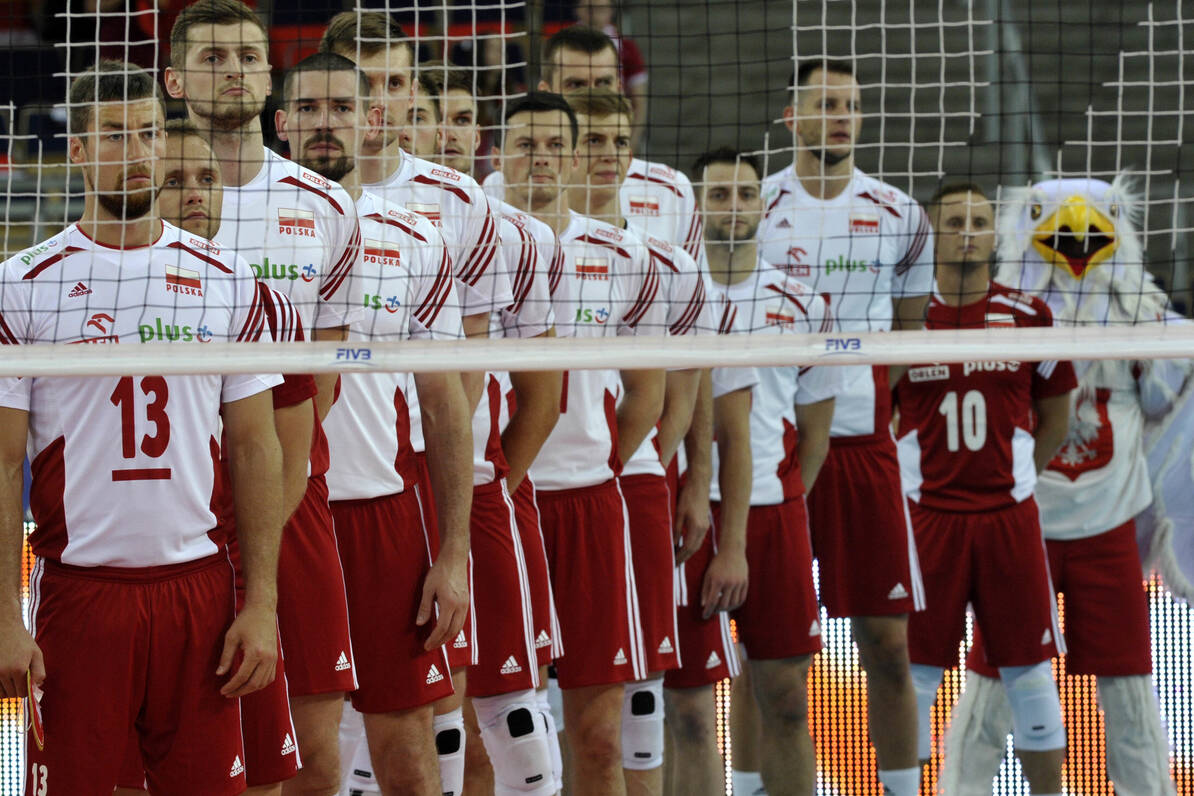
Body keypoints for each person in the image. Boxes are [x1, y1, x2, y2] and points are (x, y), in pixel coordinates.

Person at [0, 60, 283, 795]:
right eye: (115, 134)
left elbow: (256, 447)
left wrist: (262, 603)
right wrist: (3, 617)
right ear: (78, 149)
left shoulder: (228, 278)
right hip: (78, 595)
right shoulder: (21, 283)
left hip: (199, 590)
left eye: (149, 133)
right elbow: (2, 464)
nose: (137, 151)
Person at [165, 3, 364, 791]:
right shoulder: (146, 197)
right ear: (175, 79)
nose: (235, 71)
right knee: (185, 740)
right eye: (213, 57)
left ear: (269, 75)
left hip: (292, 490)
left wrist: (266, 493)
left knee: (311, 749)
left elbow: (327, 373)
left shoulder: (327, 204)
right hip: (172, 502)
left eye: (249, 56)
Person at [943, 177, 1187, 796]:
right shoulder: (998, 322)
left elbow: (1167, 401)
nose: (1077, 232)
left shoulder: (1146, 319)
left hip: (1110, 526)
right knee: (995, 682)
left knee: (1129, 686)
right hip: (1020, 526)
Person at [273, 51, 475, 796]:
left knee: (410, 758)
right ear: (282, 121)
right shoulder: (240, 232)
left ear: (374, 119)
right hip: (279, 514)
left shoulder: (416, 238)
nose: (325, 122)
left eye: (342, 107)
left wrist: (454, 552)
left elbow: (445, 405)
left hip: (381, 515)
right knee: (304, 761)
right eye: (309, 108)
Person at [319, 13, 509, 793]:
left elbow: (463, 373)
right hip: (298, 488)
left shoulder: (454, 201)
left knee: (433, 712)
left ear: (411, 92)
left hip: (411, 481)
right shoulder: (276, 196)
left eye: (394, 82)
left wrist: (445, 517)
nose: (378, 100)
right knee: (311, 732)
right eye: (361, 83)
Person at [757, 58, 934, 796]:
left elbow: (910, 332)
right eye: (825, 103)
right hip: (771, 446)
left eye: (851, 106)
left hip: (864, 445)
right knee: (769, 658)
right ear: (791, 116)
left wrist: (873, 404)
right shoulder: (757, 204)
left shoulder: (900, 213)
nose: (840, 117)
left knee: (887, 645)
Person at [494, 90, 667, 796]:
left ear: (573, 160)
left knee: (600, 737)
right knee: (511, 736)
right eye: (524, 145)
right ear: (499, 155)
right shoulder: (473, 241)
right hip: (505, 505)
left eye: (553, 147)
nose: (538, 159)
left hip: (591, 507)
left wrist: (602, 458)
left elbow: (648, 391)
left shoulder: (623, 252)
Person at [896, 182, 1075, 795]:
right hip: (928, 518)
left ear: (996, 234)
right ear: (932, 234)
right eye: (954, 222)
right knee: (915, 676)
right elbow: (878, 411)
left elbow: (1057, 415)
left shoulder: (1030, 315)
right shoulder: (906, 317)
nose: (968, 232)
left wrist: (1018, 473)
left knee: (1029, 674)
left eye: (979, 221)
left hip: (1008, 517)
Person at [418, 65, 568, 796]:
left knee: (510, 711)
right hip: (384, 492)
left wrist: (496, 484)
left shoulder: (520, 236)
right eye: (431, 117)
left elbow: (544, 395)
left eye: (460, 120)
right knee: (415, 716)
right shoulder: (353, 219)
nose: (446, 133)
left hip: (480, 490)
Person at [562, 86, 711, 795]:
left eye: (619, 142)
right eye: (592, 141)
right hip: (537, 486)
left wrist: (615, 468)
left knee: (635, 705)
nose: (608, 155)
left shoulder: (663, 262)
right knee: (533, 705)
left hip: (626, 483)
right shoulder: (523, 243)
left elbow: (674, 398)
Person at [692, 147, 843, 796]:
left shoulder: (803, 302)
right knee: (685, 710)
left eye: (745, 194)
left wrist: (776, 501)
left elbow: (815, 434)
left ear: (763, 204)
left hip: (773, 515)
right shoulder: (671, 290)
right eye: (719, 194)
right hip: (685, 513)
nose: (733, 207)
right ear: (697, 206)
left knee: (785, 698)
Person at [483, 27, 704, 274]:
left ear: (619, 87)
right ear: (546, 91)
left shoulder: (671, 189)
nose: (591, 95)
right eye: (576, 85)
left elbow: (694, 287)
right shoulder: (503, 183)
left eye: (603, 83)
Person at [567, 5, 649, 152]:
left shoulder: (627, 48)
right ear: (578, 9)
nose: (594, 15)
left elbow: (639, 102)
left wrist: (630, 144)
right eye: (589, 9)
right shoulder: (560, 48)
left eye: (600, 9)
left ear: (611, 11)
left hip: (612, 127)